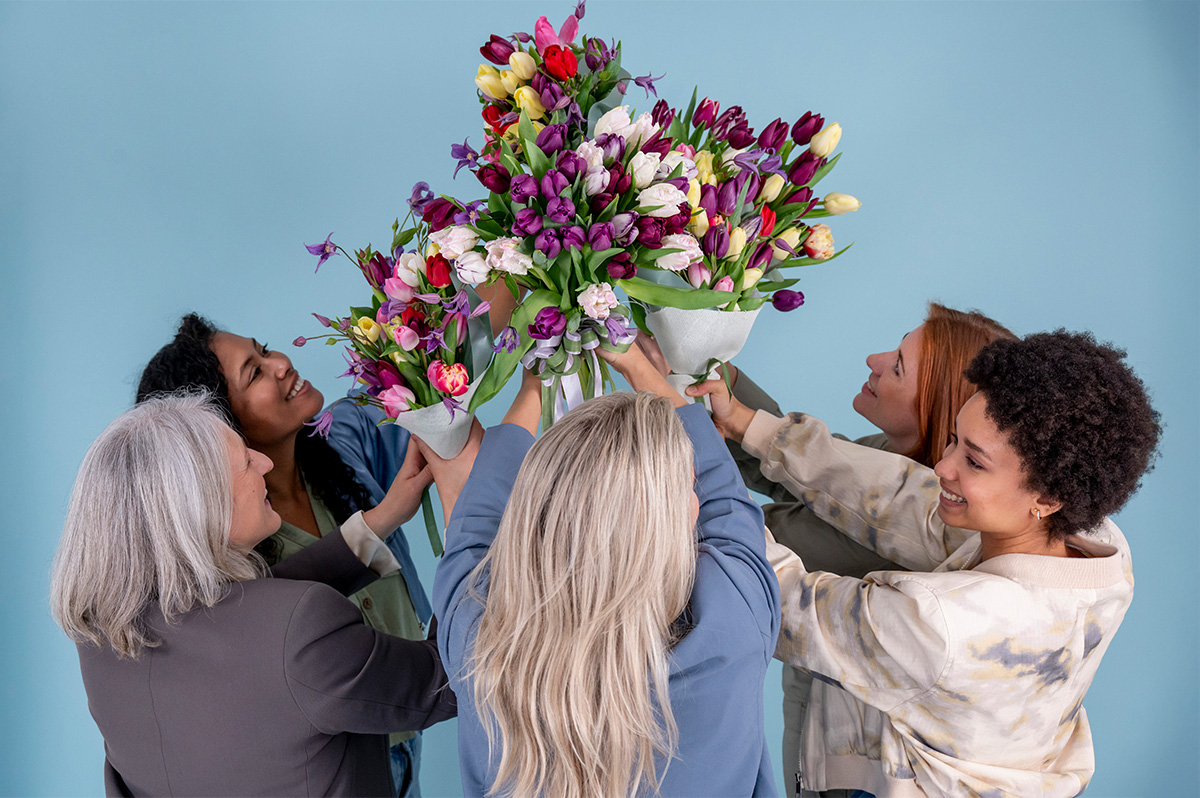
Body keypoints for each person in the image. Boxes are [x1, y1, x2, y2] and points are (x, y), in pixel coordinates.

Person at [691, 330, 1161, 797]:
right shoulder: (1096, 545)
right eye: (954, 440)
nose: (943, 466)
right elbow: (900, 498)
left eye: (974, 462)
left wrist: (694, 482)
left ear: (1048, 496)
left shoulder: (950, 624)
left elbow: (781, 602)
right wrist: (750, 425)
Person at [668, 302, 1015, 787]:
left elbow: (751, 549)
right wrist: (695, 356)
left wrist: (672, 403)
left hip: (861, 769)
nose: (874, 360)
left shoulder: (915, 542)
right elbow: (806, 478)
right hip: (821, 733)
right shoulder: (882, 458)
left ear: (938, 404)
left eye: (897, 366)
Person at [50, 393, 458, 797]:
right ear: (203, 508)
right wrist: (463, 522)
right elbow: (449, 678)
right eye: (246, 461)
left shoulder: (102, 643)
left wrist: (381, 519)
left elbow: (248, 620)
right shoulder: (298, 630)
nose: (263, 462)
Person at [424, 359, 781, 797]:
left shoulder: (477, 637)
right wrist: (636, 364)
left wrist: (532, 390)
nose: (696, 499)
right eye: (687, 487)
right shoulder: (732, 624)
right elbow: (728, 505)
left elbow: (474, 531)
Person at [137, 313, 433, 795]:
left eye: (266, 349)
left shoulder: (344, 445)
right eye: (254, 373)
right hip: (334, 765)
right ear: (217, 430)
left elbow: (440, 368)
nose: (281, 364)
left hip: (407, 728)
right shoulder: (230, 561)